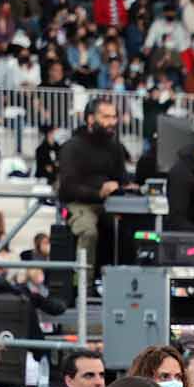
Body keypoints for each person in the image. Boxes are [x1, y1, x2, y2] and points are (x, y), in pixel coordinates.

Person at [55, 97, 129, 273]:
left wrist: (123, 187)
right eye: (105, 117)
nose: (111, 122)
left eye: (114, 117)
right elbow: (66, 187)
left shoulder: (116, 147)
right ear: (90, 119)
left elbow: (122, 179)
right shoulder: (72, 147)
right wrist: (98, 193)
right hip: (79, 203)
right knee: (88, 232)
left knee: (130, 230)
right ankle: (83, 288)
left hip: (111, 204)